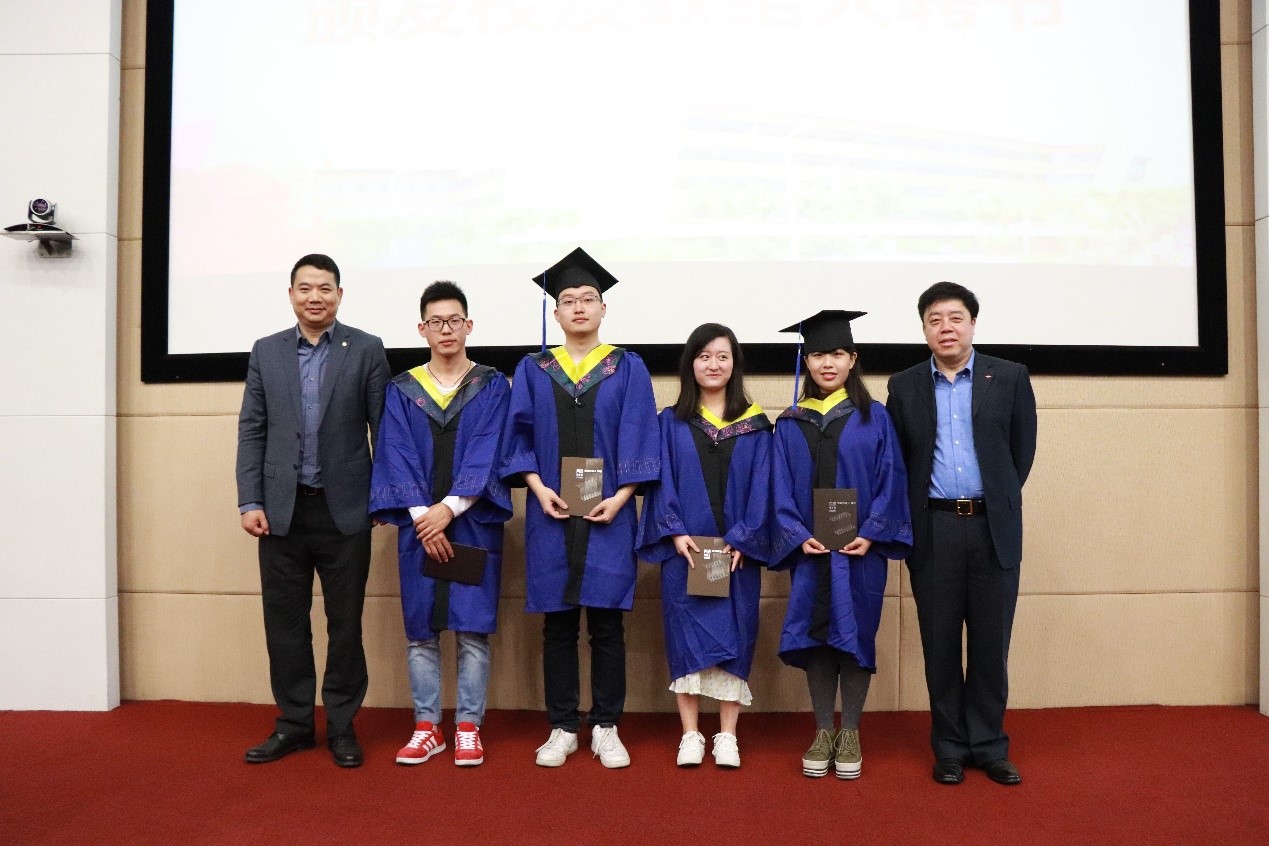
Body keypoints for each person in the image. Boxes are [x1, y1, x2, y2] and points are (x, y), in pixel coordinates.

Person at [499, 248, 660, 769]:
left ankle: (607, 726)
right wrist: (536, 487)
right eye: (568, 300)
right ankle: (564, 726)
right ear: (556, 312)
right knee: (559, 624)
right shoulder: (533, 369)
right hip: (551, 512)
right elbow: (518, 436)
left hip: (608, 514)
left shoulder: (626, 367)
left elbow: (640, 433)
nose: (579, 307)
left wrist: (622, 497)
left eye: (588, 298)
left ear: (603, 308)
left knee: (608, 625)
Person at [236, 253, 390, 768]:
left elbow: (384, 430)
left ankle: (343, 726)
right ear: (291, 295)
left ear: (339, 295)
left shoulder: (366, 349)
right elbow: (252, 429)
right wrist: (250, 500)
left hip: (346, 512)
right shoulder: (267, 351)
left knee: (345, 626)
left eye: (325, 288)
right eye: (305, 288)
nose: (315, 297)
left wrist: (383, 498)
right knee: (285, 625)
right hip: (280, 513)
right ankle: (295, 724)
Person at [885, 281, 1037, 787]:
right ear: (924, 330)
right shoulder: (904, 386)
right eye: (935, 320)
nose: (945, 328)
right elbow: (901, 460)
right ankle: (949, 747)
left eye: (955, 318)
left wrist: (995, 498)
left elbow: (1020, 453)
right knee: (941, 646)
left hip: (993, 528)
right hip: (935, 528)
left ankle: (990, 746)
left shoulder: (1009, 377)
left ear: (973, 323)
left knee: (991, 646)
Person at [369, 281, 512, 767]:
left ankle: (468, 727)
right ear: (422, 329)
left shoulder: (492, 385)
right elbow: (395, 453)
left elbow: (489, 451)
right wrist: (422, 517)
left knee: (472, 630)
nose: (445, 329)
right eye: (436, 322)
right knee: (422, 631)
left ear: (468, 326)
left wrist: (448, 509)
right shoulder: (402, 390)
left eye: (454, 321)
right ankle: (427, 727)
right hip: (419, 527)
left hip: (472, 522)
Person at [770, 310, 912, 780]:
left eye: (836, 354)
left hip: (859, 552)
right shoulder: (790, 423)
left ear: (852, 359)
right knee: (816, 636)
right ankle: (822, 730)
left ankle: (850, 731)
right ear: (805, 361)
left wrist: (872, 532)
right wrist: (796, 534)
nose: (826, 363)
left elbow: (891, 478)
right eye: (817, 355)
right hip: (811, 551)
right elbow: (778, 487)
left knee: (855, 635)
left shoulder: (875, 418)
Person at [637, 323, 772, 769]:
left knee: (737, 633)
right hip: (688, 552)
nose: (713, 365)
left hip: (736, 554)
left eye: (722, 356)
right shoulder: (670, 422)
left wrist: (746, 537)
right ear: (690, 364)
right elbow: (661, 483)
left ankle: (727, 735)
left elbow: (764, 487)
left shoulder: (756, 426)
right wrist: (674, 530)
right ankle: (691, 734)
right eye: (704, 356)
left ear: (735, 364)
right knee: (685, 637)